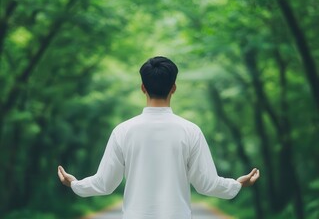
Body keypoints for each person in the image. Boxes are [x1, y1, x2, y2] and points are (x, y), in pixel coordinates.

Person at [58, 56, 260, 219]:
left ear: (143, 88)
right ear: (174, 88)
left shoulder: (123, 131)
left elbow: (105, 183)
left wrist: (75, 184)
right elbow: (206, 183)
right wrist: (238, 184)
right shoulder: (190, 131)